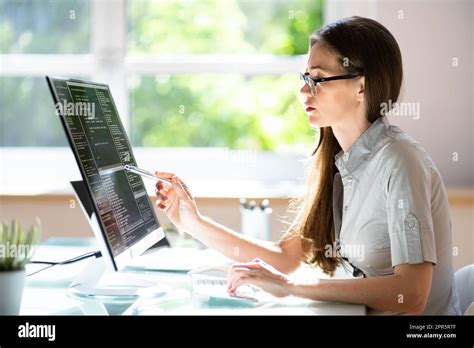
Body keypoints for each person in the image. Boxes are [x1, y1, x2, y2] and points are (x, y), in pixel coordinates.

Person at [154, 16, 461, 315]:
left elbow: (411, 294)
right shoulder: (337, 159)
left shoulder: (400, 160)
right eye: (305, 78)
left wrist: (292, 287)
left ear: (361, 87)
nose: (304, 91)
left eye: (318, 79)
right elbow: (286, 258)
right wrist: (193, 223)